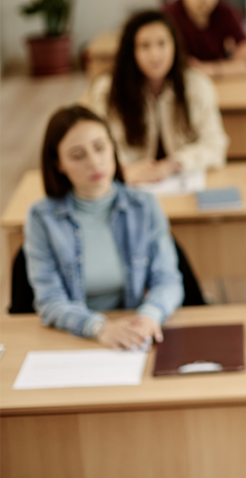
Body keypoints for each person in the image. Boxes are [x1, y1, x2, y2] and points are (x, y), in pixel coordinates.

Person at [24, 105, 182, 348]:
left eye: (100, 147)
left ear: (113, 147)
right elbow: (50, 301)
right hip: (75, 335)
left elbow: (167, 279)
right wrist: (99, 328)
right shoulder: (41, 218)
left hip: (134, 332)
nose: (95, 162)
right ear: (58, 164)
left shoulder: (144, 205)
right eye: (78, 155)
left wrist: (150, 315)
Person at [87, 10, 229, 185]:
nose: (155, 55)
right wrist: (124, 170)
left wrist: (175, 164)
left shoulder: (197, 84)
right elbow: (98, 145)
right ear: (131, 51)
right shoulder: (107, 90)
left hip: (181, 182)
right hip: (128, 183)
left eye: (162, 44)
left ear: (175, 45)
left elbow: (215, 144)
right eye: (145, 46)